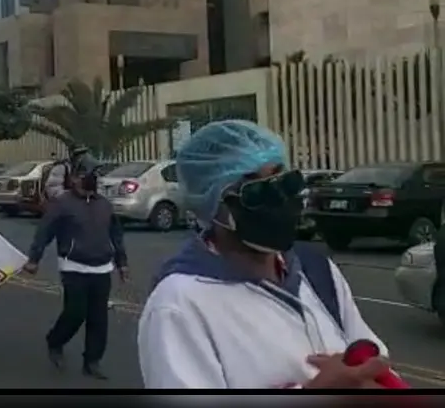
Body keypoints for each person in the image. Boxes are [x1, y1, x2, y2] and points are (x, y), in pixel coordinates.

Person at [138, 120, 391, 389]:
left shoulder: (316, 269)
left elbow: (373, 366)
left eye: (285, 182)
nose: (279, 199)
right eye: (257, 191)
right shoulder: (178, 305)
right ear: (213, 203)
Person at [24, 152, 129, 380]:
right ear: (75, 177)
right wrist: (34, 258)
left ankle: (92, 361)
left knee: (99, 318)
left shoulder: (104, 205)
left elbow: (116, 235)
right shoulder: (62, 203)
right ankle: (55, 340)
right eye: (88, 174)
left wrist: (122, 263)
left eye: (95, 175)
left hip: (102, 267)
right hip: (73, 266)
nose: (93, 179)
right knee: (76, 312)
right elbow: (45, 231)